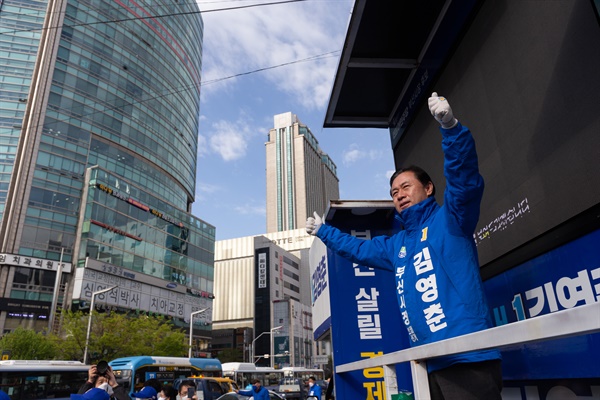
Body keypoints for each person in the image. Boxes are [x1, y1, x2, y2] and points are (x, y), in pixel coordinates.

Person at [306, 93, 502, 400]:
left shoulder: (450, 219)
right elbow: (357, 250)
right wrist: (323, 232)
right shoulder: (396, 244)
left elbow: (464, 181)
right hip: (429, 362)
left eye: (405, 187)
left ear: (428, 188)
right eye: (393, 191)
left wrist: (450, 129)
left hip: (468, 357)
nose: (399, 194)